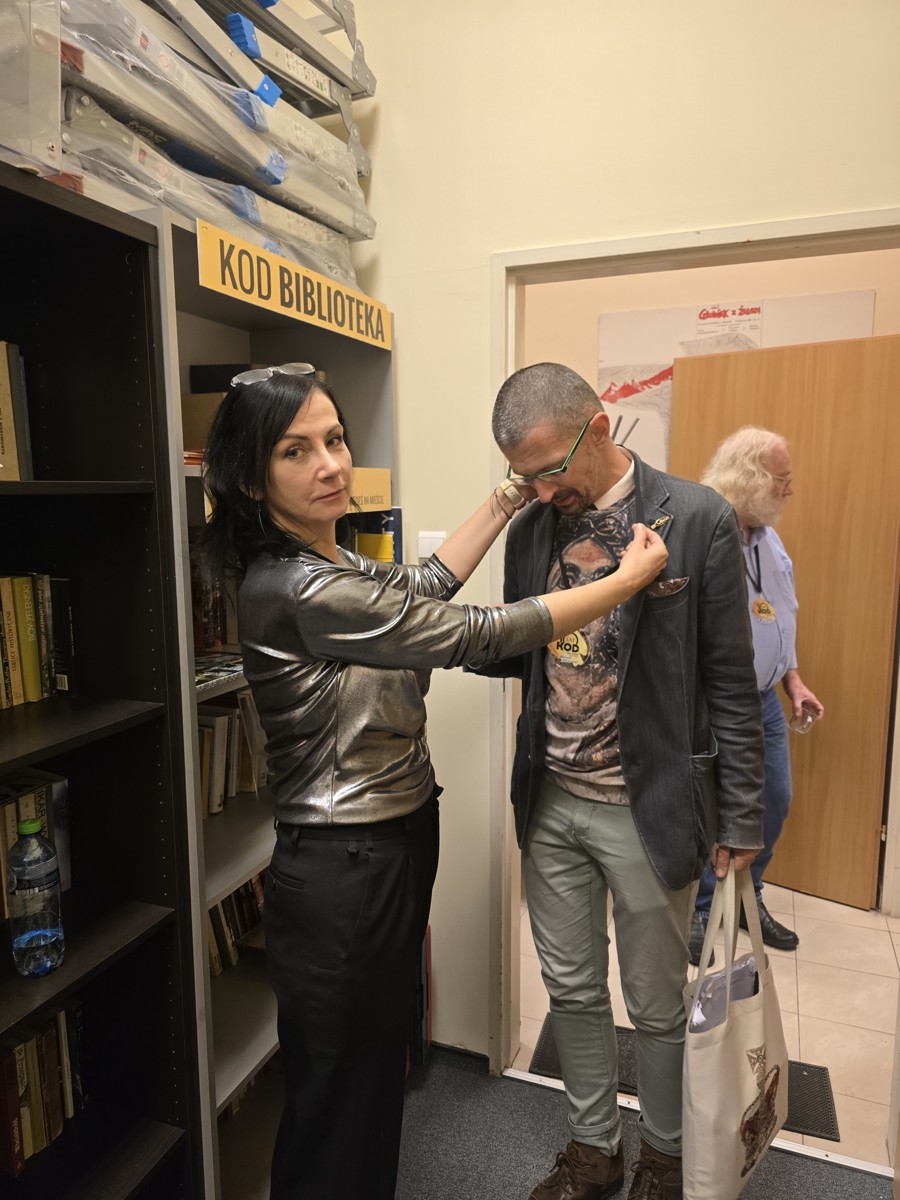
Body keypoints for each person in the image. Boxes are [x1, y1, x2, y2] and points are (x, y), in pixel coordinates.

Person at [194, 362, 668, 1200]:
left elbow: (423, 587)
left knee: (372, 1075)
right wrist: (622, 584)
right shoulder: (295, 587)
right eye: (296, 451)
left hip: (389, 845)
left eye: (335, 439)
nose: (330, 464)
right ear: (251, 477)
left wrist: (509, 496)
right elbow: (474, 632)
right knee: (339, 1096)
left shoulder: (330, 560)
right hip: (344, 867)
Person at [477, 362, 765, 1200]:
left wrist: (741, 817)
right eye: (523, 475)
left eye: (548, 468)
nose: (540, 490)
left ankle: (665, 1159)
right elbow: (524, 655)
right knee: (570, 988)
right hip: (550, 799)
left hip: (648, 806)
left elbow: (730, 680)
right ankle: (594, 1150)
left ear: (597, 429)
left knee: (656, 1002)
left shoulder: (697, 517)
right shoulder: (534, 530)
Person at [688, 426, 824, 966]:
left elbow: (780, 615)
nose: (789, 489)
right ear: (749, 479)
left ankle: (749, 897)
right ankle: (702, 909)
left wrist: (793, 680)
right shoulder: (704, 531)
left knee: (774, 801)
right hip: (716, 700)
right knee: (715, 808)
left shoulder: (768, 538)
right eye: (781, 479)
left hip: (765, 698)